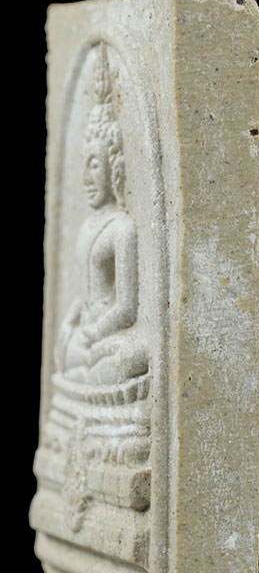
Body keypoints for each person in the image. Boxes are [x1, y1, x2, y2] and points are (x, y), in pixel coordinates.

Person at [55, 43, 148, 387]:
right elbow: (83, 295)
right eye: (85, 165)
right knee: (67, 354)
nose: (87, 177)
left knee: (132, 358)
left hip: (105, 337)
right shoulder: (86, 228)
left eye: (95, 165)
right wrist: (71, 325)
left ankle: (84, 376)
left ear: (115, 168)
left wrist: (95, 332)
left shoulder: (121, 228)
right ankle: (84, 374)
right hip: (85, 341)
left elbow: (126, 307)